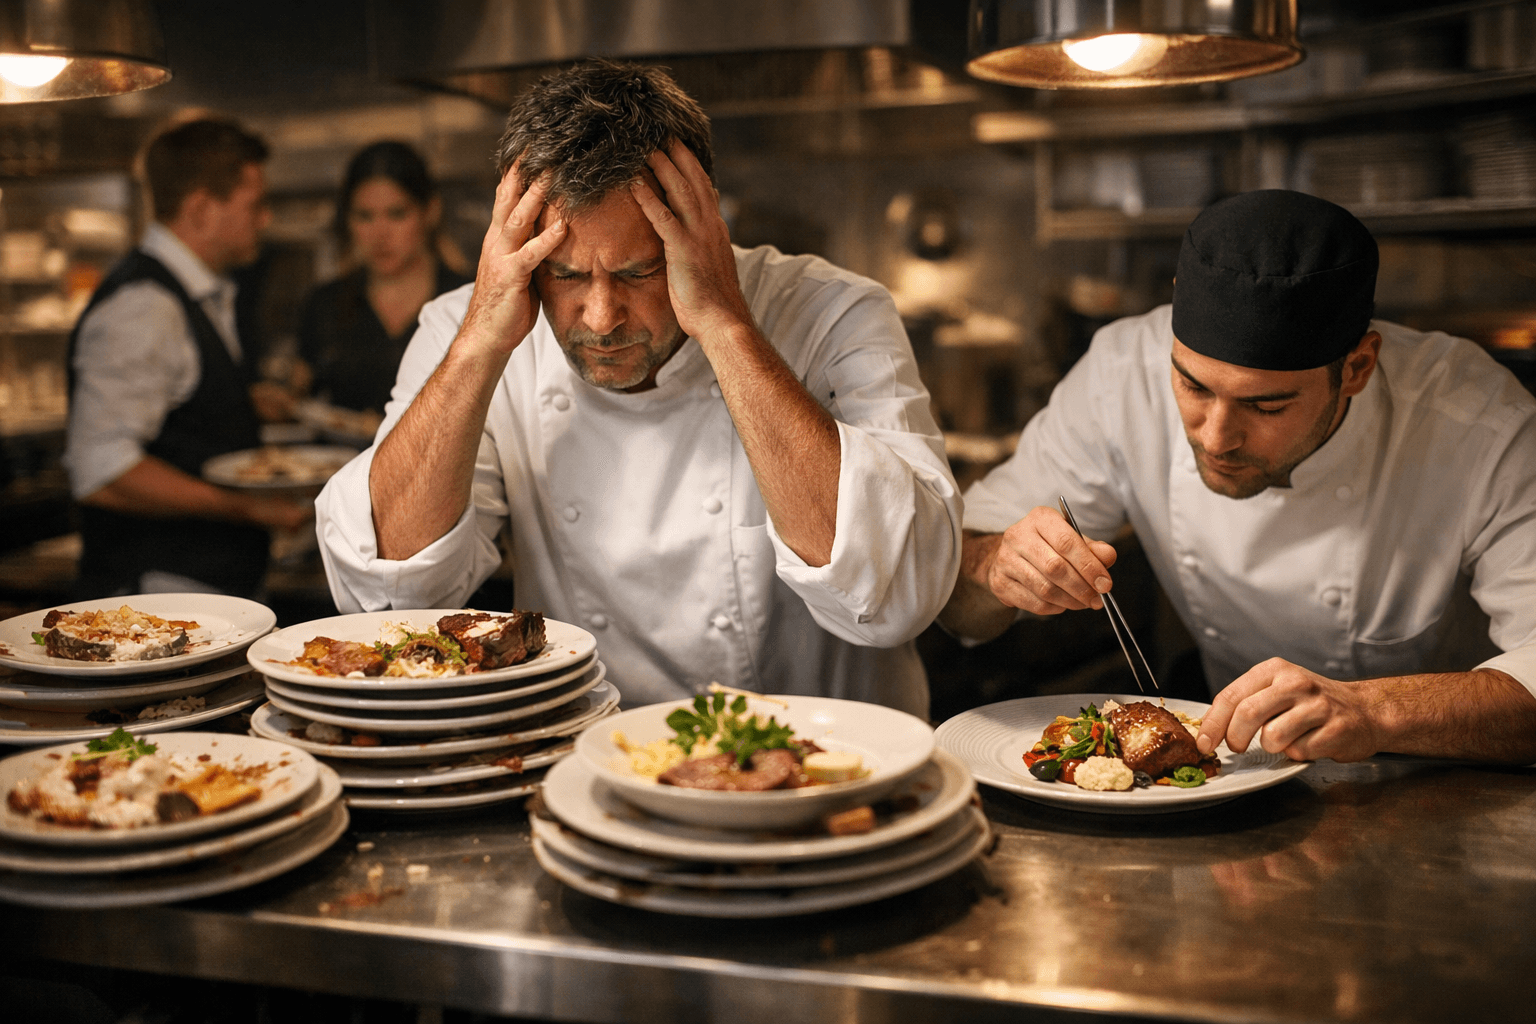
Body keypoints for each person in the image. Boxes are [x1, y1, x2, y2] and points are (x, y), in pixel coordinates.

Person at [314, 60, 961, 715]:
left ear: (703, 228)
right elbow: (388, 593)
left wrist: (725, 325)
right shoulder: (470, 328)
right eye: (566, 275)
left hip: (828, 755)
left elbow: (897, 595)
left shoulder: (835, 313)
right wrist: (480, 344)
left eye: (638, 271)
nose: (601, 318)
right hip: (593, 755)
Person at [941, 189, 1536, 764]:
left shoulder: (1483, 424)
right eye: (1192, 386)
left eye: (1266, 406)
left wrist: (1373, 711)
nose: (1215, 437)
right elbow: (955, 591)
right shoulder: (1121, 375)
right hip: (1232, 766)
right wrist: (995, 566)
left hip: (1439, 774)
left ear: (1356, 368)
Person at [63, 116, 309, 598]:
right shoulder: (145, 305)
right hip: (155, 598)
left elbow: (176, 405)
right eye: (254, 205)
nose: (264, 220)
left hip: (202, 588)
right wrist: (246, 507)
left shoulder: (197, 292)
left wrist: (240, 401)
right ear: (200, 209)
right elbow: (103, 472)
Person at [296, 141, 471, 417]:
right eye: (364, 216)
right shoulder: (324, 305)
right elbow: (301, 393)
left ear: (431, 211)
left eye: (397, 214)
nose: (380, 234)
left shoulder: (469, 301)